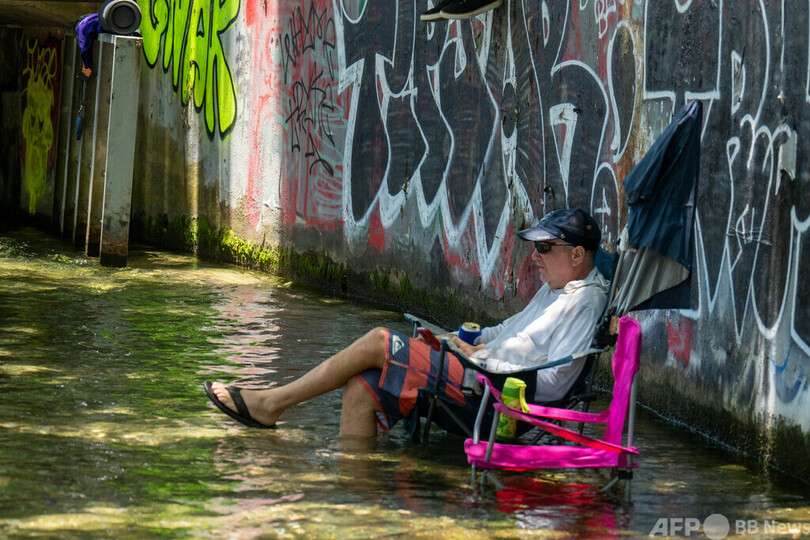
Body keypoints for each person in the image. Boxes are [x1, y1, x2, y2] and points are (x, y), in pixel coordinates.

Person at [204, 208, 608, 437]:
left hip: (497, 399)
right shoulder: (556, 287)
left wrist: (481, 360)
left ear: (577, 255)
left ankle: (272, 403)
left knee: (379, 341)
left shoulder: (585, 301)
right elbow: (510, 330)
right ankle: (361, 504)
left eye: (543, 247)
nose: (533, 256)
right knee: (361, 387)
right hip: (477, 373)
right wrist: (467, 340)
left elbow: (552, 382)